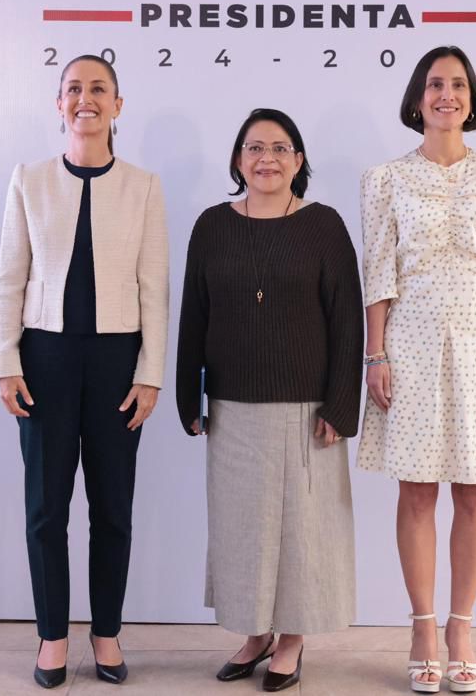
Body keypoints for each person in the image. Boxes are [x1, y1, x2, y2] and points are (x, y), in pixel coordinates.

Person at [355, 46, 476, 694]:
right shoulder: (386, 179)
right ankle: (422, 628)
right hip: (410, 344)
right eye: (434, 84)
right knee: (417, 491)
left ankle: (462, 628)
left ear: (472, 98)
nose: (446, 95)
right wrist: (375, 352)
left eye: (457, 84)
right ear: (417, 98)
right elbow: (378, 270)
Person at [0, 54, 168, 689]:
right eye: (73, 88)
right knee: (46, 509)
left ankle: (107, 633)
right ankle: (52, 637)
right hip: (44, 360)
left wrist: (150, 373)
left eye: (98, 89)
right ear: (58, 103)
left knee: (113, 509)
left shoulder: (143, 186)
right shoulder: (29, 180)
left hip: (118, 364)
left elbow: (155, 288)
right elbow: (10, 276)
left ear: (118, 106)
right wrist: (4, 361)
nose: (84, 98)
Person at [175, 108, 363, 693]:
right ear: (238, 159)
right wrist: (187, 396)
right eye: (255, 148)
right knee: (244, 530)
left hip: (308, 409)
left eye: (281, 148)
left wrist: (341, 404)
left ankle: (292, 641)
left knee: (302, 530)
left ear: (299, 160)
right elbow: (193, 314)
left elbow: (347, 321)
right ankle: (256, 634)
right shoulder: (212, 226)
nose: (267, 159)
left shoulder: (323, 225)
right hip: (232, 406)